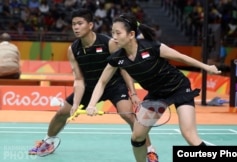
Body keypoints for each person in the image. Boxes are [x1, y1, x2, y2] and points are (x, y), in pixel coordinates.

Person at [85, 13, 222, 162]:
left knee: (189, 134)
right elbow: (102, 82)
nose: (114, 37)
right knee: (137, 136)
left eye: (118, 33)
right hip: (156, 95)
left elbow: (181, 57)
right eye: (112, 33)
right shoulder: (117, 58)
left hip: (179, 88)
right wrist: (92, 104)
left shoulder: (151, 46)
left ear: (131, 34)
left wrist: (206, 67)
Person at [28, 9, 159, 162]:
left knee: (129, 115)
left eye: (80, 23)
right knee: (62, 112)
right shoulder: (73, 49)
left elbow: (124, 69)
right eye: (73, 24)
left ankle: (150, 150)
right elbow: (78, 80)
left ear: (90, 25)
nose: (76, 27)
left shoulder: (108, 43)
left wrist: (134, 93)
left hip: (114, 85)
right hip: (89, 87)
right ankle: (48, 141)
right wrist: (76, 104)